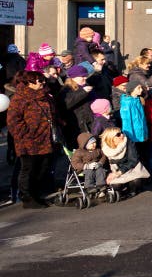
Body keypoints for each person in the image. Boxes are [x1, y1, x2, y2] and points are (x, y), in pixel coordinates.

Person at [7, 71, 54, 209]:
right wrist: (27, 134)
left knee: (43, 168)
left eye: (43, 80)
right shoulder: (20, 98)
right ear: (29, 83)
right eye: (39, 81)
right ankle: (27, 198)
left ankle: (36, 194)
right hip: (28, 141)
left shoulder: (44, 96)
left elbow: (52, 112)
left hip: (45, 138)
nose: (43, 83)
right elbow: (13, 121)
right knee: (28, 169)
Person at [101, 127, 149, 197]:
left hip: (131, 170)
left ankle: (132, 190)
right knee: (115, 186)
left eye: (121, 132)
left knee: (136, 181)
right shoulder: (105, 148)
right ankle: (120, 189)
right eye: (118, 135)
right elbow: (104, 164)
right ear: (111, 138)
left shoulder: (128, 142)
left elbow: (133, 160)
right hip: (115, 171)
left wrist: (119, 172)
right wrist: (108, 174)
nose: (122, 135)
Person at [56, 65, 95, 149]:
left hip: (89, 121)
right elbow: (65, 104)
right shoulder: (66, 90)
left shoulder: (86, 86)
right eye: (82, 76)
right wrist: (83, 92)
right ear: (73, 77)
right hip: (75, 125)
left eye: (86, 76)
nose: (85, 78)